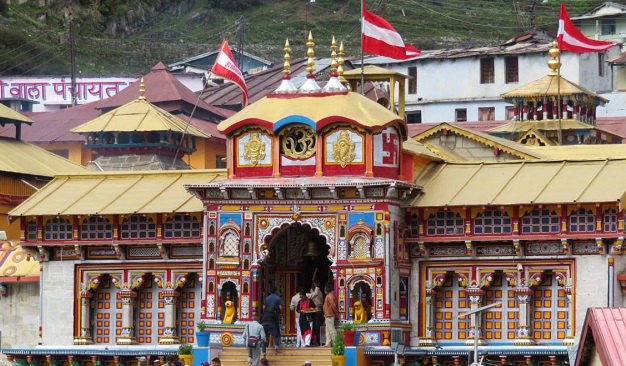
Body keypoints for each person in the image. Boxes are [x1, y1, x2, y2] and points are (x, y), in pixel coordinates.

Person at [263, 284, 283, 349]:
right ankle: (275, 346)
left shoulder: (267, 298)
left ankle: (268, 345)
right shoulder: (278, 298)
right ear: (276, 291)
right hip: (274, 315)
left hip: (267, 315)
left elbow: (264, 307)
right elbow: (280, 307)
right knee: (275, 330)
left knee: (266, 333)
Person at [307, 280, 324, 345]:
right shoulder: (312, 292)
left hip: (319, 309)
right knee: (315, 326)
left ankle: (318, 340)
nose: (315, 284)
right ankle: (315, 340)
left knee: (318, 325)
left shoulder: (319, 291)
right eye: (314, 283)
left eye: (316, 283)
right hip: (315, 310)